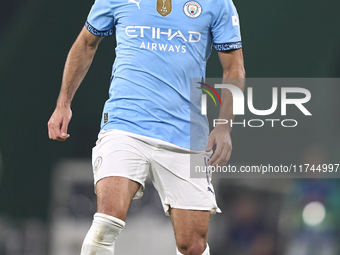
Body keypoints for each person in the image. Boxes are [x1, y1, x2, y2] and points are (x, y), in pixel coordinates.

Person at [47, 0, 245, 254]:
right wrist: (63, 103)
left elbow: (234, 67)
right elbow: (86, 43)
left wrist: (224, 126)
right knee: (107, 221)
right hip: (125, 124)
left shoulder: (217, 3)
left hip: (186, 134)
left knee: (193, 245)